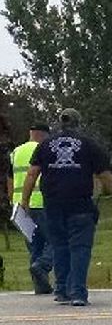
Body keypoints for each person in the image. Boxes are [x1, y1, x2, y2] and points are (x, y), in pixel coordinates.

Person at [21, 108, 112, 307]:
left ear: (60, 123)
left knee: (60, 246)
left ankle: (61, 290)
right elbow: (105, 175)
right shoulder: (89, 145)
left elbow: (32, 174)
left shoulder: (45, 145)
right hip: (80, 205)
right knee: (80, 248)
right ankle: (77, 293)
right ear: (78, 122)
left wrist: (24, 201)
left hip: (52, 204)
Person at [7, 123, 54, 294]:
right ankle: (42, 266)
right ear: (44, 135)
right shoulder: (45, 149)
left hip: (22, 207)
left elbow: (10, 179)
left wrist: (13, 201)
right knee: (55, 241)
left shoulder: (16, 152)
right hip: (42, 202)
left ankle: (40, 286)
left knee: (35, 245)